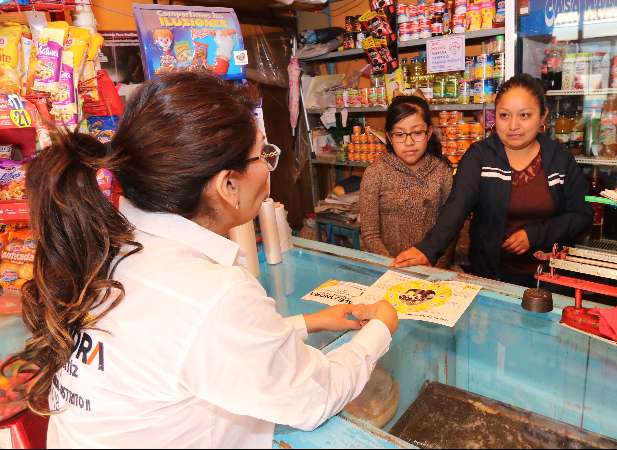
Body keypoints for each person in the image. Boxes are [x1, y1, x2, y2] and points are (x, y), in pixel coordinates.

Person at [3, 72, 398, 448]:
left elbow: (188, 347)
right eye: (263, 154)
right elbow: (314, 399)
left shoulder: (109, 248)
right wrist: (381, 327)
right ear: (227, 185)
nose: (269, 167)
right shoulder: (211, 293)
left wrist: (308, 323)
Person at [393, 74, 593, 286]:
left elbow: (581, 214)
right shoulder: (479, 156)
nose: (513, 126)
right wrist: (428, 249)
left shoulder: (559, 158)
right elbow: (456, 208)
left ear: (543, 116)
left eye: (524, 115)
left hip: (551, 278)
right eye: (504, 115)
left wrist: (535, 235)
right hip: (491, 276)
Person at [359, 95, 453, 266]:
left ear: (428, 133)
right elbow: (369, 233)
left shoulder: (442, 171)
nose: (409, 142)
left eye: (417, 133)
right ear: (389, 136)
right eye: (400, 134)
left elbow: (449, 230)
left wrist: (437, 266)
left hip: (432, 270)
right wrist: (393, 267)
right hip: (388, 268)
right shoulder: (376, 172)